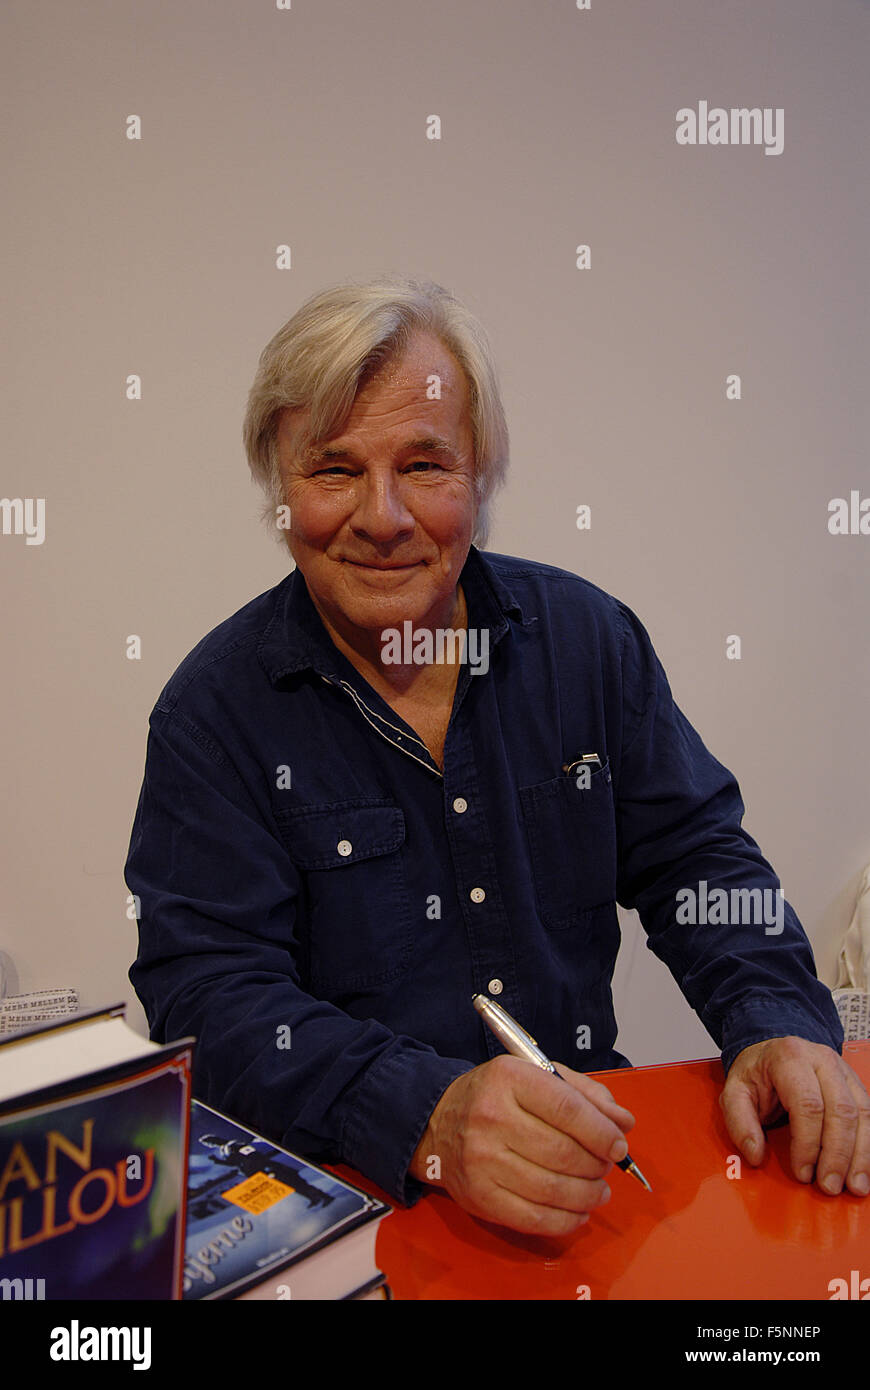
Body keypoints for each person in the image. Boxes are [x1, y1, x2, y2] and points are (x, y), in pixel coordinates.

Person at [126, 275, 868, 1237]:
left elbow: (697, 860)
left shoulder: (586, 641)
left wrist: (774, 1018)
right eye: (335, 470)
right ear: (279, 488)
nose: (383, 516)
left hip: (595, 1182)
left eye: (426, 466)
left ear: (482, 475)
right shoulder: (211, 714)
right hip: (353, 1213)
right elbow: (209, 999)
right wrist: (425, 1110)